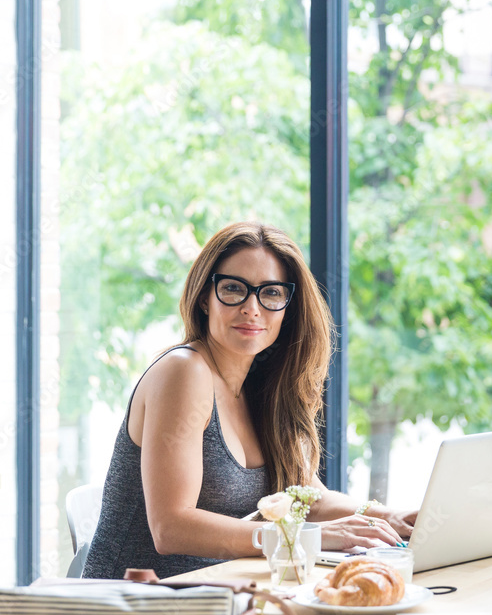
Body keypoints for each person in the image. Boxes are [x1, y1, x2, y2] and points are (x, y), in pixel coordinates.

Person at [82, 221, 416, 579]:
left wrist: (386, 517)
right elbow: (171, 527)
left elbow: (309, 499)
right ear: (204, 298)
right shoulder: (183, 372)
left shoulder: (264, 388)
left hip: (223, 595)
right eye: (233, 288)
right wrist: (304, 538)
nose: (252, 308)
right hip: (137, 603)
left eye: (270, 293)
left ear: (288, 307)